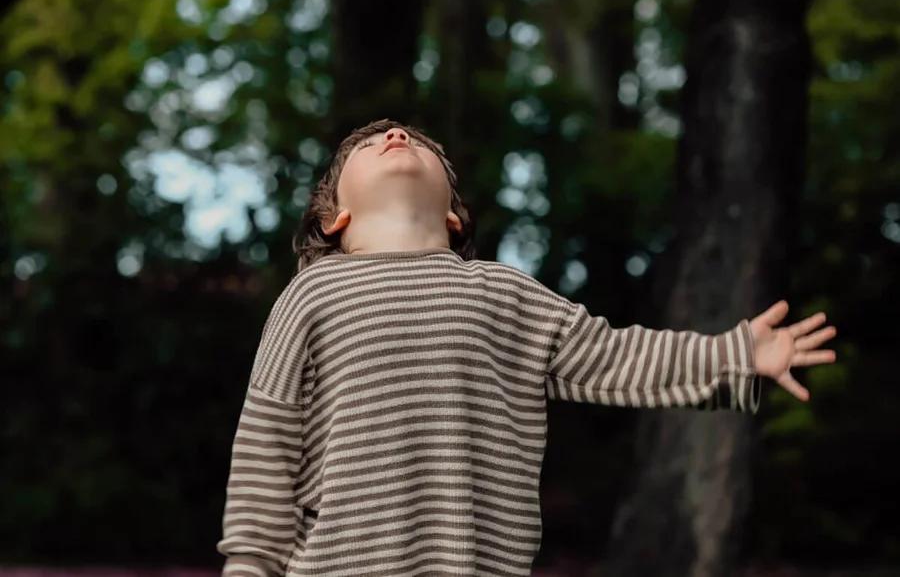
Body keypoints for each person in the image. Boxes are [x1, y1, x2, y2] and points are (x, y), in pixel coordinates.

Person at [218, 119, 836, 577]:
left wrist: (734, 354)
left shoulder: (504, 291)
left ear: (456, 218)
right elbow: (268, 441)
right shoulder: (312, 293)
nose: (398, 136)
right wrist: (249, 564)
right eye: (367, 143)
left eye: (422, 144)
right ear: (336, 217)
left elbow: (616, 358)